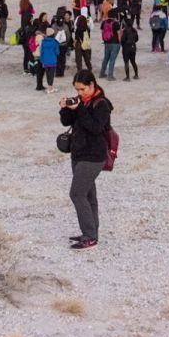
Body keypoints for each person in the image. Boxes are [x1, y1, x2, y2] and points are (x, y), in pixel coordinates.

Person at [58, 70, 113, 250]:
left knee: (77, 193)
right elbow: (67, 123)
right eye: (76, 89)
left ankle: (89, 236)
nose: (79, 93)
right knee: (89, 195)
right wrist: (65, 108)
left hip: (94, 156)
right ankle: (91, 233)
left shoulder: (101, 104)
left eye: (82, 89)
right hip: (78, 154)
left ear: (92, 85)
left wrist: (79, 108)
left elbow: (95, 128)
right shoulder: (80, 101)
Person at [37, 27, 60, 92]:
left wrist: (42, 60)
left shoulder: (43, 42)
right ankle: (50, 87)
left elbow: (42, 51)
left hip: (45, 61)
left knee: (47, 74)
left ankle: (49, 87)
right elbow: (57, 52)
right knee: (51, 75)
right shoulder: (55, 42)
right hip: (53, 61)